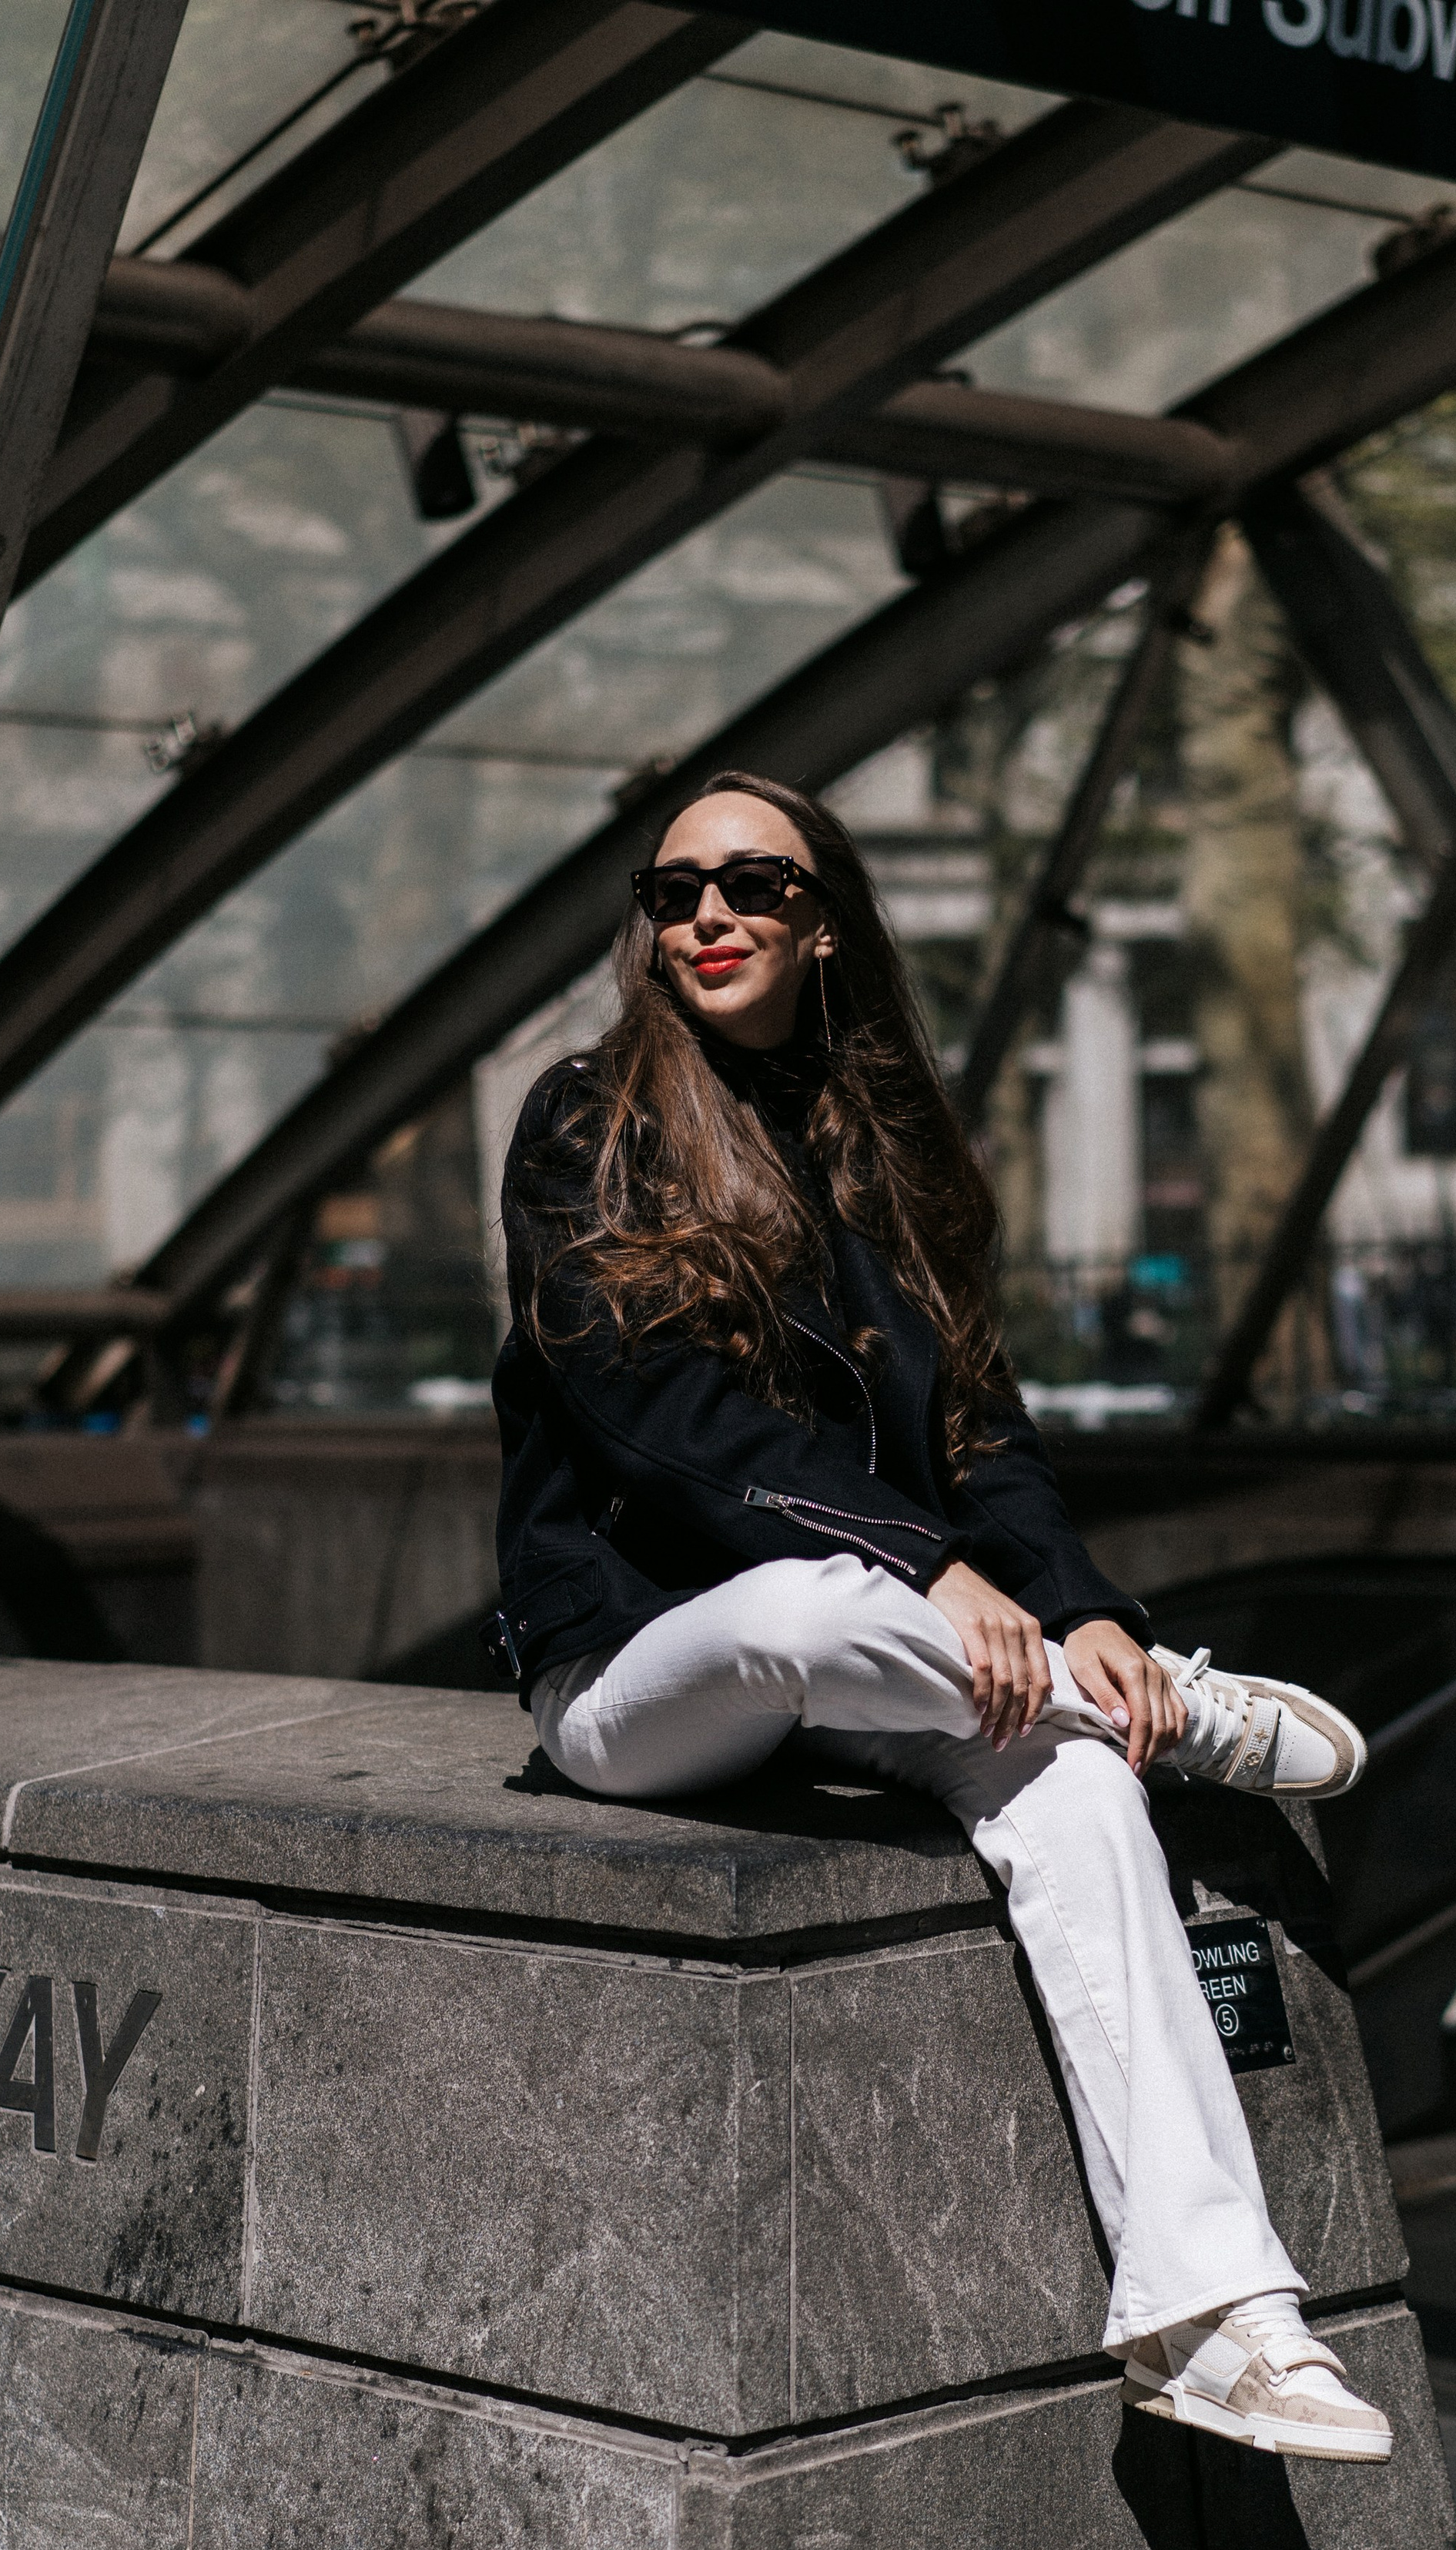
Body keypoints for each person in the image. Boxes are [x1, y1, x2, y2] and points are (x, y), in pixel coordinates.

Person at [492, 770, 1391, 2461]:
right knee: (800, 1602)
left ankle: (1218, 2320)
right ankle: (1185, 1710)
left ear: (822, 920)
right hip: (637, 1665)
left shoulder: (881, 1150)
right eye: (670, 888)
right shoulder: (584, 1120)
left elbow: (983, 1426)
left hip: (892, 1655)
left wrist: (1076, 1606)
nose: (707, 915)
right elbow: (656, 1419)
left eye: (754, 883)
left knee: (1074, 1786)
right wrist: (925, 1565)